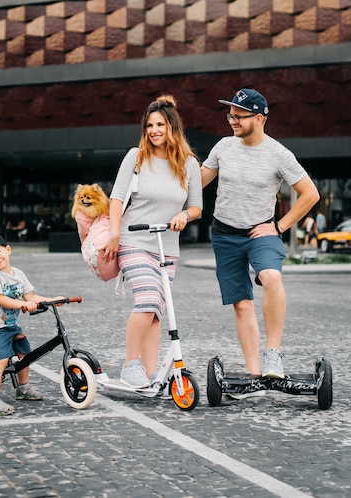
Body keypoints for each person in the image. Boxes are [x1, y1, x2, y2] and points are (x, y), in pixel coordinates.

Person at [201, 88, 320, 388]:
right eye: (230, 115)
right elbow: (197, 182)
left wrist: (279, 227)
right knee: (241, 304)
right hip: (225, 234)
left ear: (259, 118)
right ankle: (254, 374)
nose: (232, 121)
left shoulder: (278, 154)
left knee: (271, 277)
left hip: (261, 232)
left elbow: (311, 194)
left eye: (238, 116)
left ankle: (273, 355)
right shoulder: (223, 148)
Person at [104, 94, 203, 388]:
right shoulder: (136, 157)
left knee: (157, 313)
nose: (154, 130)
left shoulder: (189, 165)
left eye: (160, 124)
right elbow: (116, 198)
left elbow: (196, 206)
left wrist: (185, 216)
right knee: (147, 302)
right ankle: (129, 365)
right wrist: (113, 233)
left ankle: (149, 374)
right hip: (134, 241)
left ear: (173, 127)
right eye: (149, 125)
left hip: (167, 248)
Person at [0, 233, 65, 416]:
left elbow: (30, 297)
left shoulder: (19, 274)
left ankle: (23, 388)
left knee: (24, 354)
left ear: (8, 250)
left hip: (11, 327)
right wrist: (23, 305)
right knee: (1, 359)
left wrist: (52, 300)